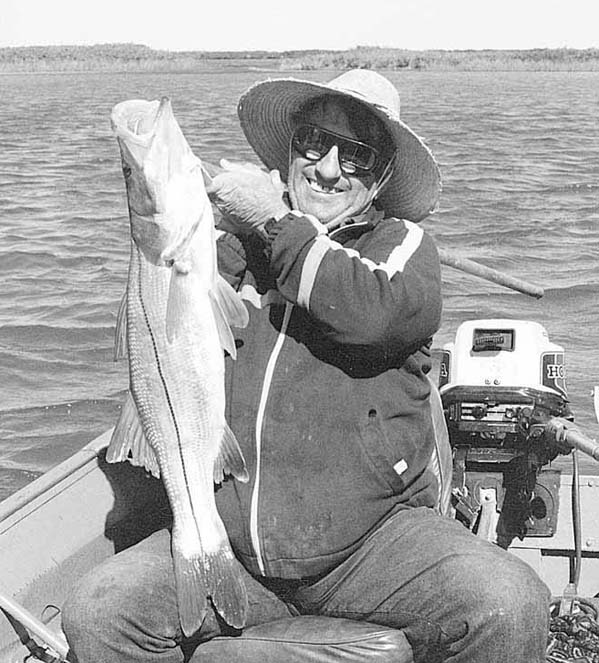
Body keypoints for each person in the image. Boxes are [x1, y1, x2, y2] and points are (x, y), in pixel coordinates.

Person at [63, 69, 550, 663]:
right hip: (237, 546)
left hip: (374, 547)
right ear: (290, 149)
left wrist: (278, 222)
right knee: (99, 613)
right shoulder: (231, 254)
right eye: (313, 143)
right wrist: (229, 228)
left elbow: (372, 312)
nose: (326, 168)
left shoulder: (400, 247)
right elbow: (166, 323)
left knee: (508, 604)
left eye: (358, 154)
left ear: (382, 179)